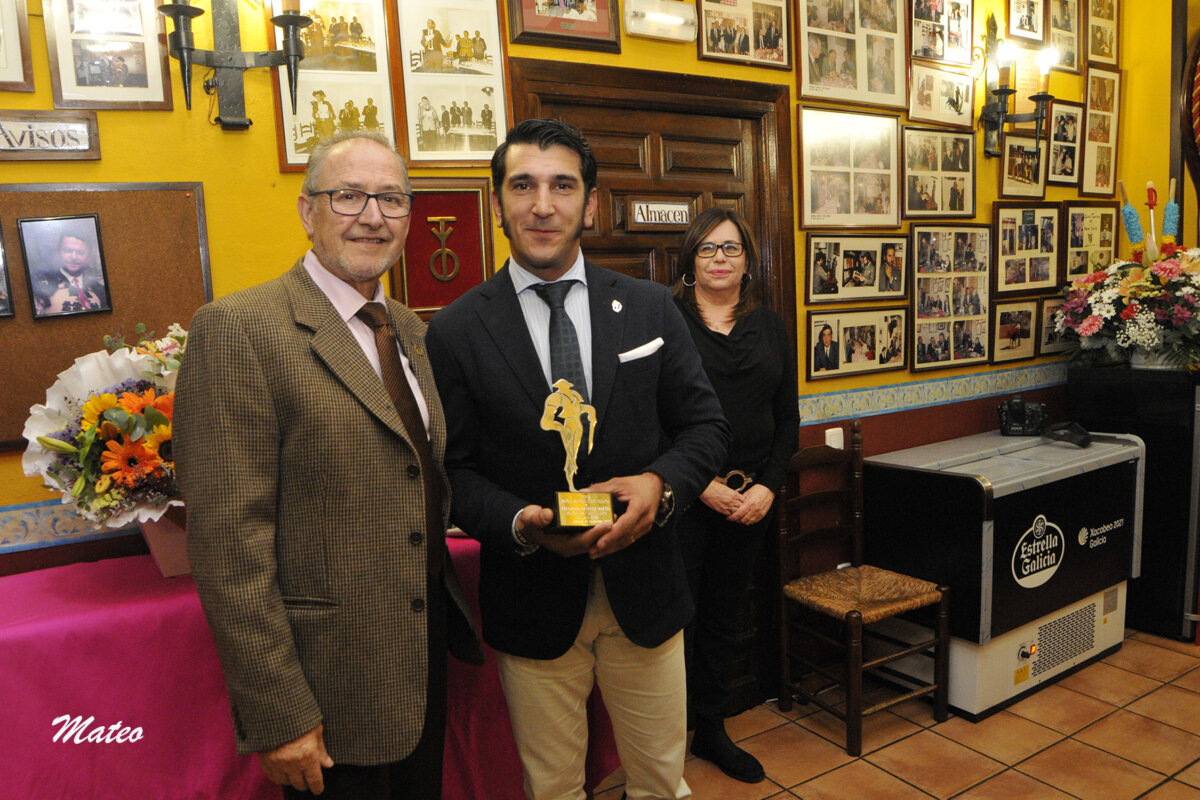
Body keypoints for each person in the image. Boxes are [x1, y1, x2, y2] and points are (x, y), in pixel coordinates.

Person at [426, 118, 730, 800]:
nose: (543, 204)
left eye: (562, 185)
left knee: (659, 780)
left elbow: (706, 427)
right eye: (523, 186)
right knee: (554, 787)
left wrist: (662, 484)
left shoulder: (651, 308)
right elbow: (453, 472)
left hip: (645, 590)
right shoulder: (454, 330)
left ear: (589, 204)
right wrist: (520, 523)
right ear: (499, 202)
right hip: (532, 598)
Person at [174, 130, 482, 800]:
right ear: (307, 211)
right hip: (326, 679)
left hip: (419, 657)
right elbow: (230, 545)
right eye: (349, 195)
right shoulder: (239, 329)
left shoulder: (408, 328)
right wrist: (279, 713)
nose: (372, 215)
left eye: (392, 199)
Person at [669, 208, 798, 783]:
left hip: (752, 505)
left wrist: (769, 486)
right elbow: (650, 418)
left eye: (731, 249)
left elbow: (787, 420)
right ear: (690, 260)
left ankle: (711, 731)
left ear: (748, 262)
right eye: (707, 249)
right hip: (683, 502)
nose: (720, 258)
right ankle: (664, 744)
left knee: (724, 616)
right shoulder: (665, 320)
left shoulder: (771, 325)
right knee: (676, 623)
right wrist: (702, 486)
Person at [34, 232, 108, 315]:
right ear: (59, 252)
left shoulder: (100, 289)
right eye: (68, 251)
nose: (73, 257)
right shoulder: (43, 286)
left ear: (88, 256)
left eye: (80, 252)